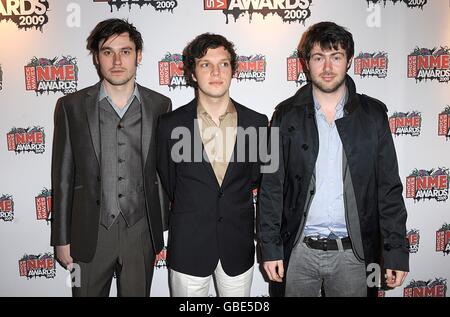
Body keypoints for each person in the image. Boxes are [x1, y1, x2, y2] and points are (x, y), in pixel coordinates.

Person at [258, 21, 409, 297]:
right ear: (306, 63)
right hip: (298, 252)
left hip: (355, 255)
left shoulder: (373, 116)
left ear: (349, 61)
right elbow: (271, 187)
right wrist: (270, 248)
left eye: (336, 57)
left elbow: (388, 188)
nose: (327, 68)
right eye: (319, 58)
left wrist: (396, 252)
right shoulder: (284, 115)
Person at [50, 18, 172, 297]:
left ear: (138, 56)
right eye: (107, 52)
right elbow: (63, 177)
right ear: (97, 57)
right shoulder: (70, 106)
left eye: (126, 51)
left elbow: (162, 173)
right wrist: (61, 237)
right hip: (87, 233)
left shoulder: (160, 105)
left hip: (141, 231)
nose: (117, 60)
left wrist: (162, 228)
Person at [156, 33, 268, 297]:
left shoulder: (259, 123)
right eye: (206, 64)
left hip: (238, 246)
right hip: (189, 245)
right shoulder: (169, 124)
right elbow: (170, 181)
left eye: (224, 64)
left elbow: (259, 179)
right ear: (192, 73)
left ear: (233, 70)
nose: (216, 72)